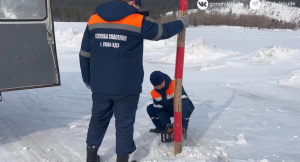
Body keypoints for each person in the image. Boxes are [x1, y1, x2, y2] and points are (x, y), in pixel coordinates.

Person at [79, 0, 189, 161]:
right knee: (124, 124)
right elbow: (162, 32)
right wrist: (181, 23)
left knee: (98, 120)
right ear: (132, 2)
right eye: (139, 5)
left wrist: (88, 79)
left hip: (100, 85)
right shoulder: (136, 20)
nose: (139, 9)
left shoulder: (94, 19)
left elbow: (84, 54)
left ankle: (91, 156)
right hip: (127, 86)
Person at [147, 71, 195, 135]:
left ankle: (183, 127)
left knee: (187, 108)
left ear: (164, 80)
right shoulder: (154, 93)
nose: (159, 87)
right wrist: (167, 124)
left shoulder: (175, 85)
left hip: (182, 107)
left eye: (160, 84)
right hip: (169, 109)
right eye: (156, 86)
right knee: (151, 108)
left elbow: (184, 102)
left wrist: (179, 120)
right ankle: (162, 128)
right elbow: (160, 110)